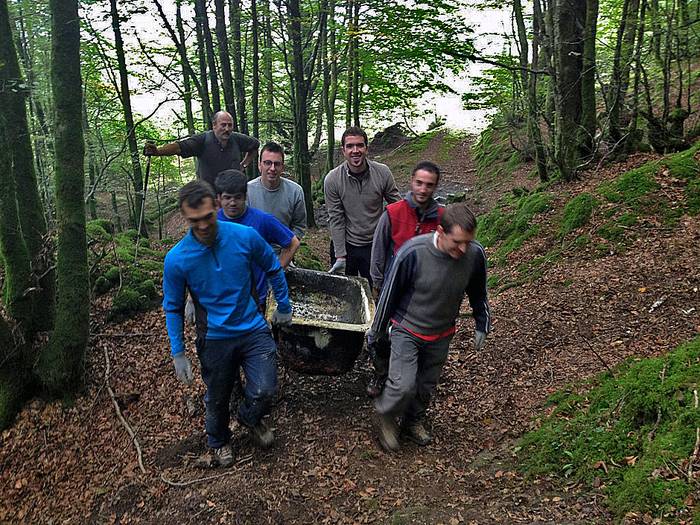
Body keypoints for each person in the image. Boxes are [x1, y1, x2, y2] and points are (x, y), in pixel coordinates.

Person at [162, 180, 292, 467]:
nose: (204, 225)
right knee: (217, 397)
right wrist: (178, 352)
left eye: (208, 216)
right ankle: (218, 441)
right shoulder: (177, 259)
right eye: (195, 220)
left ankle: (248, 417)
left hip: (252, 327)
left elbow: (272, 267)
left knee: (266, 389)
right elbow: (172, 307)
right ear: (185, 218)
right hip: (214, 338)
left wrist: (283, 305)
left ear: (217, 207)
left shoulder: (244, 236)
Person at [367, 203, 491, 452]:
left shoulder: (474, 255)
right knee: (403, 383)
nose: (463, 248)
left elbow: (479, 292)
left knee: (426, 385)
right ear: (441, 232)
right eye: (457, 241)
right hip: (407, 328)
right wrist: (377, 331)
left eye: (468, 241)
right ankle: (386, 417)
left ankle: (413, 420)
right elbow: (390, 293)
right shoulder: (413, 252)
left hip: (442, 331)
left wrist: (482, 322)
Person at [365, 160, 444, 398]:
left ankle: (412, 380)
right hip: (393, 287)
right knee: (379, 336)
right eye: (419, 183)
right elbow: (378, 252)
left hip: (425, 292)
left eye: (429, 185)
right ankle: (381, 373)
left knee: (417, 337)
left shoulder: (442, 217)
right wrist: (378, 284)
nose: (423, 189)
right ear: (411, 182)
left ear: (435, 187)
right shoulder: (393, 212)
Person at [323, 126, 400, 283]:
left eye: (359, 145)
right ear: (343, 150)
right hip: (346, 242)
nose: (355, 150)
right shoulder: (332, 179)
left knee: (376, 291)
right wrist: (340, 255)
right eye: (350, 146)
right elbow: (336, 218)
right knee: (343, 293)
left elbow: (398, 206)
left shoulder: (382, 173)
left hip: (375, 243)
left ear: (366, 148)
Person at [215, 169, 300, 307]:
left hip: (255, 301)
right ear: (219, 198)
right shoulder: (211, 223)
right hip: (222, 300)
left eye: (237, 197)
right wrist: (191, 298)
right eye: (227, 197)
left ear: (245, 196)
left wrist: (275, 271)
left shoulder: (262, 220)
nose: (232, 203)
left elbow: (293, 243)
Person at [143, 111, 259, 187]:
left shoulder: (237, 139)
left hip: (233, 196)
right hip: (209, 197)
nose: (227, 129)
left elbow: (255, 145)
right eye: (223, 125)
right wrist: (158, 151)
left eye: (230, 125)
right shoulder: (203, 140)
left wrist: (244, 164)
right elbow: (178, 147)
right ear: (214, 125)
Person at [247, 142, 307, 239]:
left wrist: (288, 247)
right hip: (253, 249)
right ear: (259, 165)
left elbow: (299, 226)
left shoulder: (295, 191)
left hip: (284, 248)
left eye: (277, 164)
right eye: (268, 163)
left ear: (282, 167)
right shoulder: (247, 191)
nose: (272, 168)